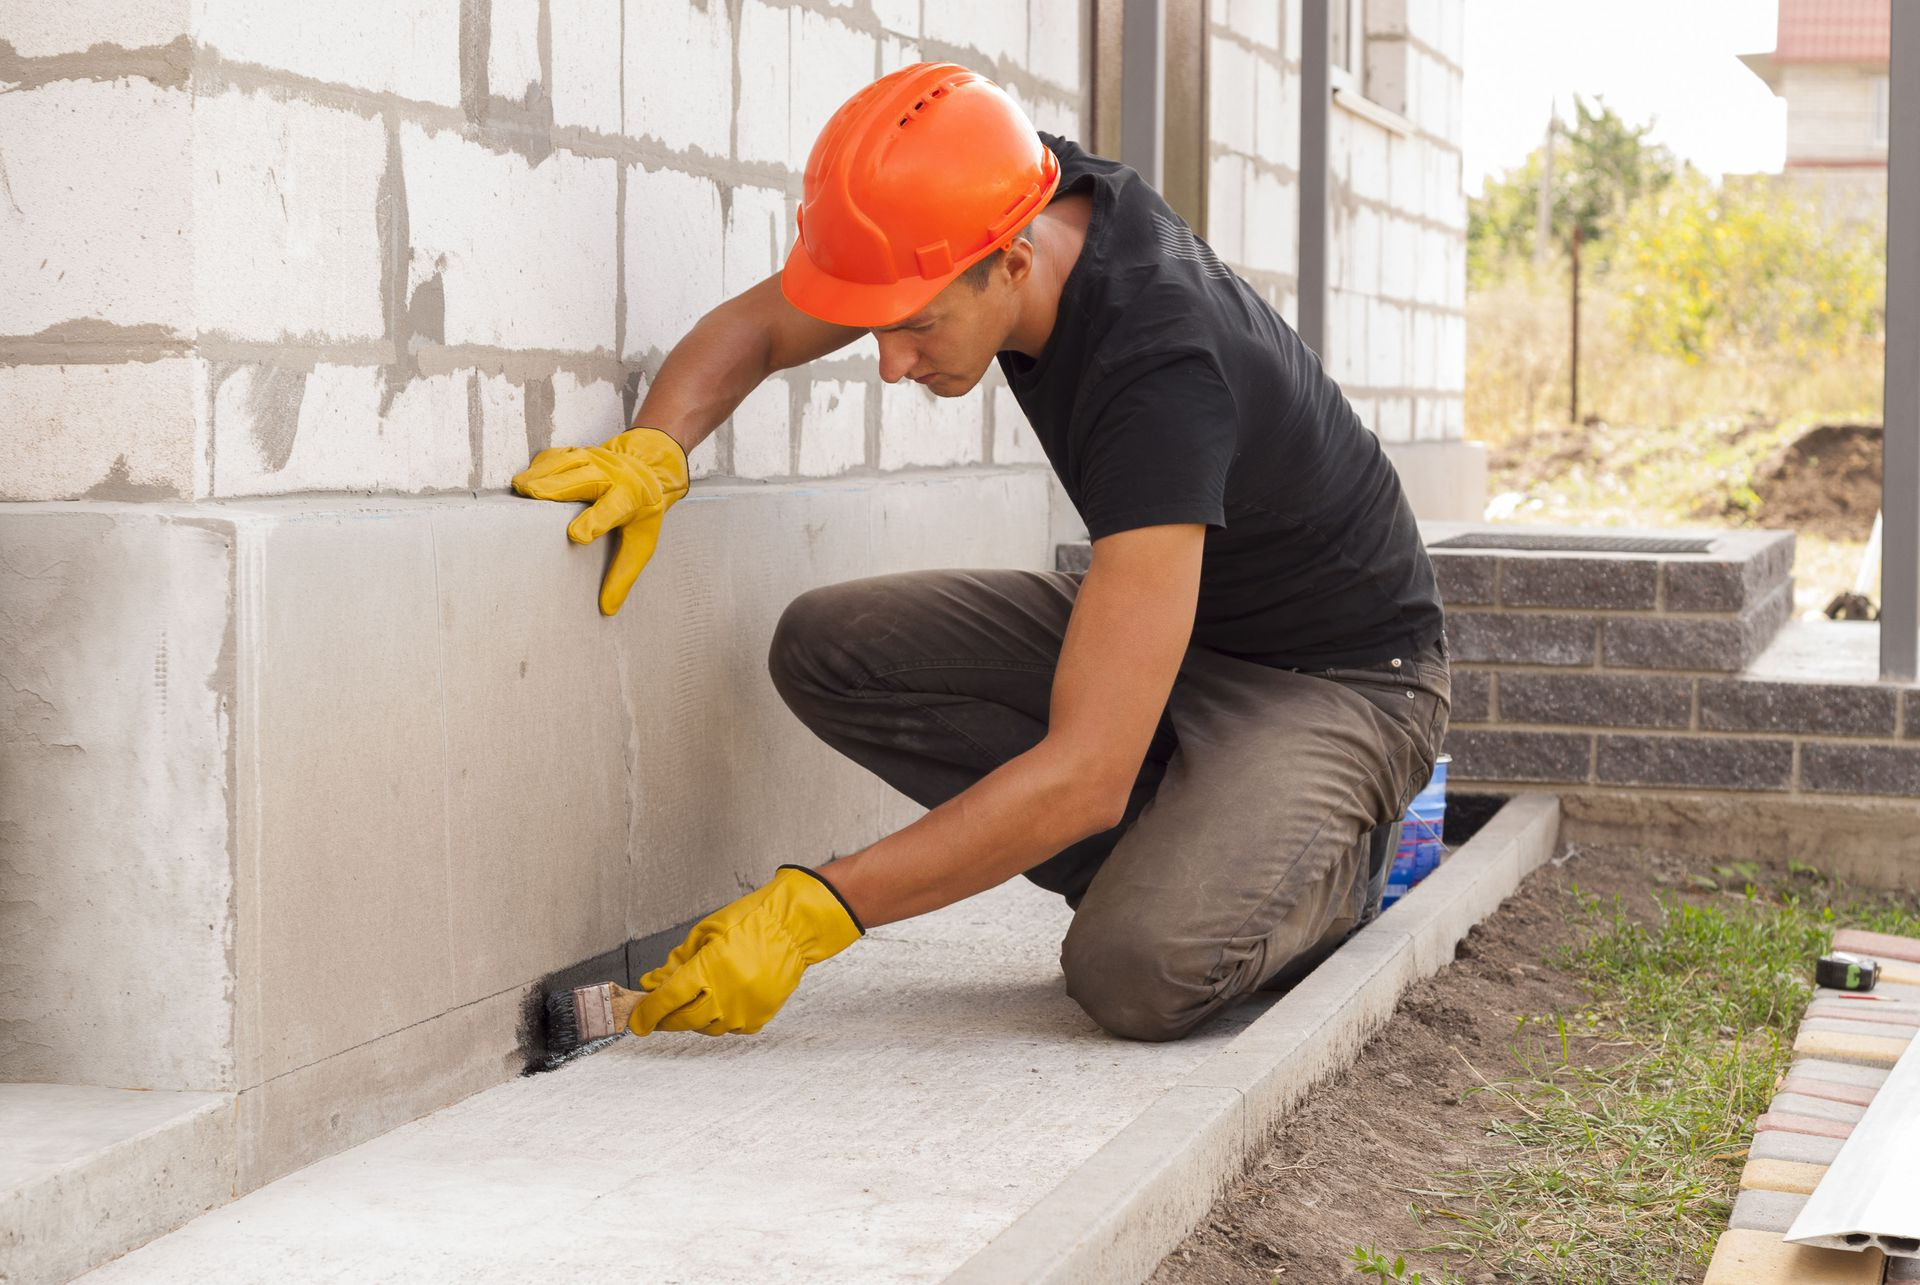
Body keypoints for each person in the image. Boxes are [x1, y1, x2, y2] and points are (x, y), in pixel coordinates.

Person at [512, 62, 1449, 1043]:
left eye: (916, 327)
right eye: (878, 326)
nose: (890, 362)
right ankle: (1188, 850)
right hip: (1188, 634)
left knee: (1138, 969)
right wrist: (655, 449)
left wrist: (815, 910)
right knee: (832, 646)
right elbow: (759, 327)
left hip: (1342, 684)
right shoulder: (986, 205)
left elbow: (1087, 773)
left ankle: (1323, 867)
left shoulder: (1161, 373)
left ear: (1012, 263)